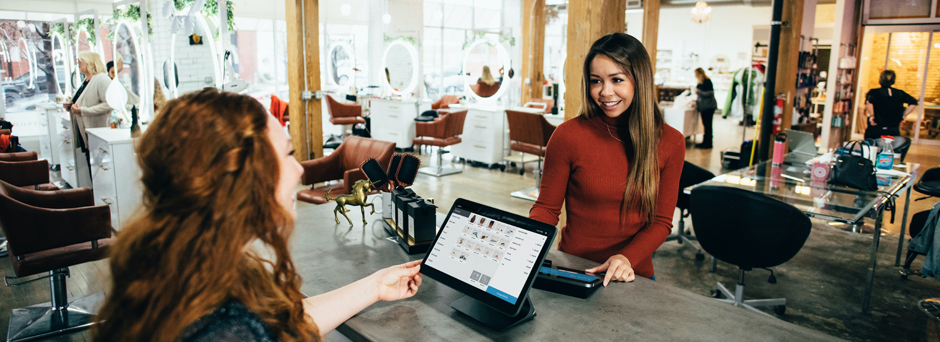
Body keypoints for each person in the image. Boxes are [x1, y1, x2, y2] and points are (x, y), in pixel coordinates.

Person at [93, 89, 423, 342]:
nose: (298, 171)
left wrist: (375, 287)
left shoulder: (182, 266)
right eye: (288, 155)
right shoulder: (227, 329)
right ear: (241, 178)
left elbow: (283, 322)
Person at [530, 33, 685, 285]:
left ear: (639, 81)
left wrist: (625, 258)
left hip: (633, 275)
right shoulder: (568, 135)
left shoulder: (670, 142)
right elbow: (547, 209)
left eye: (617, 79)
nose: (605, 92)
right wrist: (525, 243)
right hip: (574, 270)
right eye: (596, 81)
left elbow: (661, 222)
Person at [865, 70, 918, 139]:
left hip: (877, 127)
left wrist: (872, 116)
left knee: (871, 146)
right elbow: (914, 102)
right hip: (893, 129)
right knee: (891, 147)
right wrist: (903, 115)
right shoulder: (900, 93)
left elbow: (869, 102)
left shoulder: (874, 92)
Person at [694, 67, 717, 149]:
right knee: (706, 125)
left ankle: (708, 143)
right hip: (704, 107)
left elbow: (709, 94)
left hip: (708, 107)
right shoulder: (701, 82)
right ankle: (705, 142)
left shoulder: (707, 81)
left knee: (708, 125)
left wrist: (698, 92)